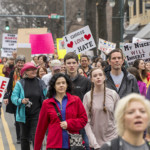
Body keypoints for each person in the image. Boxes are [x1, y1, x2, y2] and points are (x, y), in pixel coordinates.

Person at [34, 73, 87, 150]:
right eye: (58, 83)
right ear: (54, 86)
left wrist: (69, 123)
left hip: (74, 143)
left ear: (67, 85)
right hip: (54, 145)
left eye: (63, 83)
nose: (61, 85)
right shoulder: (47, 103)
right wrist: (37, 148)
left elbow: (84, 120)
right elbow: (40, 128)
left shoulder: (76, 100)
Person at [11, 62, 47, 150]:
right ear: (25, 72)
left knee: (36, 136)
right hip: (24, 114)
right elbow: (13, 97)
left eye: (34, 69)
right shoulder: (20, 83)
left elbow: (46, 96)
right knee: (24, 138)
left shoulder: (40, 82)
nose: (34, 71)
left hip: (37, 114)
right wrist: (21, 100)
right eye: (31, 70)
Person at [83, 68, 119, 149]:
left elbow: (119, 118)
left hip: (112, 140)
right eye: (95, 76)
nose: (98, 77)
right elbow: (86, 121)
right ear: (91, 79)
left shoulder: (113, 94)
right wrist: (94, 143)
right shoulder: (87, 96)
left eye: (100, 75)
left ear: (104, 77)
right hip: (96, 142)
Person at [64, 52, 91, 150]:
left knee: (84, 146)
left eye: (73, 63)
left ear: (77, 63)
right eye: (69, 63)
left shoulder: (86, 81)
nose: (71, 65)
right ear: (65, 64)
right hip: (64, 120)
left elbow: (90, 101)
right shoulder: (60, 80)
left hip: (81, 121)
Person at [3, 55, 26, 144]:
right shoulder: (13, 73)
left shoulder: (26, 72)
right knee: (17, 119)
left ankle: (26, 136)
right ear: (16, 63)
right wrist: (6, 97)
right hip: (15, 98)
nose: (20, 64)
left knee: (26, 119)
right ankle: (19, 137)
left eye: (22, 62)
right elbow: (8, 86)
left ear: (24, 63)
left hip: (24, 98)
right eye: (19, 62)